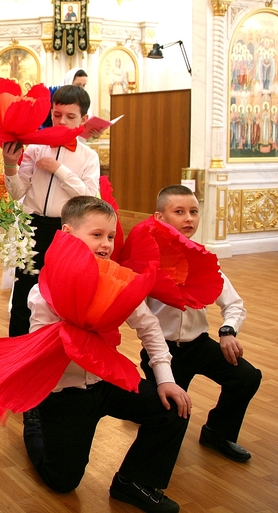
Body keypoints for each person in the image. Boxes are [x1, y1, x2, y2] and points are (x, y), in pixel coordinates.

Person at [24, 196, 190, 513]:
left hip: (108, 381)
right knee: (63, 482)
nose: (106, 244)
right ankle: (33, 422)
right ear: (69, 234)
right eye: (97, 235)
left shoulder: (115, 279)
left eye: (111, 237)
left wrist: (165, 379)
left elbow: (149, 326)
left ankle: (132, 482)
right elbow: (38, 348)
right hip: (66, 394)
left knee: (172, 408)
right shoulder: (44, 290)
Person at [143, 185, 262, 462]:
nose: (189, 219)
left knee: (247, 377)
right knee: (170, 411)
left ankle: (217, 433)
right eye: (179, 212)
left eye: (194, 212)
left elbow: (233, 304)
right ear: (159, 218)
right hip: (163, 352)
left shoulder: (204, 259)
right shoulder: (148, 260)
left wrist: (228, 331)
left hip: (199, 345)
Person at [3, 84, 100, 337]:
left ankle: (56, 350)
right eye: (57, 115)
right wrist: (10, 166)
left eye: (70, 117)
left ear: (84, 119)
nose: (61, 122)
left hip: (67, 232)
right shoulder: (35, 148)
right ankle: (18, 349)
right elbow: (17, 192)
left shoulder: (89, 157)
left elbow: (91, 197)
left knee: (60, 295)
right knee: (24, 291)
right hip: (32, 227)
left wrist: (59, 169)